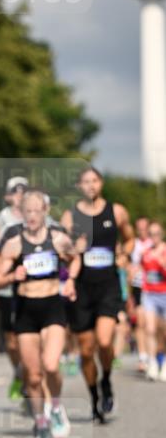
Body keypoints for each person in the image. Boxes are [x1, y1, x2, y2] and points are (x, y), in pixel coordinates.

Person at [0, 190, 79, 438]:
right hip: (25, 312)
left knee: (51, 366)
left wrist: (71, 281)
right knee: (32, 375)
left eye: (36, 211)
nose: (31, 216)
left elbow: (75, 259)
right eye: (26, 211)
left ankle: (56, 407)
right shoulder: (14, 243)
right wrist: (12, 276)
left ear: (45, 212)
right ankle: (41, 425)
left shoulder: (59, 239)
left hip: (52, 306)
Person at [61, 168, 133, 422]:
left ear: (100, 183)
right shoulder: (71, 216)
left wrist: (125, 254)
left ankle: (107, 381)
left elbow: (129, 238)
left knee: (104, 341)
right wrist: (73, 247)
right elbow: (63, 248)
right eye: (85, 182)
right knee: (85, 350)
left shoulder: (117, 211)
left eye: (94, 181)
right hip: (82, 287)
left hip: (108, 286)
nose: (90, 186)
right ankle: (93, 396)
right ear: (79, 186)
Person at [0, 176, 28, 399]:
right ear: (7, 196)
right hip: (7, 287)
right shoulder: (0, 220)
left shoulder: (39, 216)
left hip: (35, 287)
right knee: (11, 339)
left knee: (29, 334)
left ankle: (31, 374)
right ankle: (19, 371)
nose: (20, 195)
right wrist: (10, 269)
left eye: (24, 190)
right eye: (15, 191)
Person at [141, 220, 166, 381]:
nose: (154, 237)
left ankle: (164, 363)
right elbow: (142, 271)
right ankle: (152, 363)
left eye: (156, 234)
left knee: (164, 332)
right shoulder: (146, 251)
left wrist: (160, 260)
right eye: (151, 234)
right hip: (149, 293)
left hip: (164, 294)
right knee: (149, 329)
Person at [128, 216, 150, 373]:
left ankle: (154, 354)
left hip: (154, 288)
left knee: (153, 324)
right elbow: (128, 267)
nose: (142, 231)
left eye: (145, 228)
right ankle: (143, 357)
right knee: (140, 322)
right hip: (138, 287)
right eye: (139, 228)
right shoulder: (133, 245)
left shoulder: (154, 243)